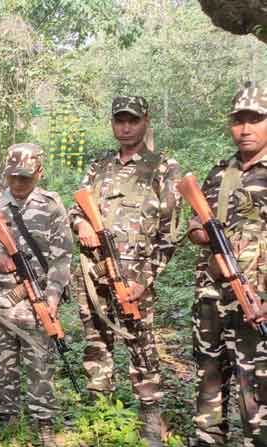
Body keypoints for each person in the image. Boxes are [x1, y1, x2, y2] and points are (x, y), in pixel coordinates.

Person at [69, 96, 181, 446]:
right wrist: (80, 225)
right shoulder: (99, 164)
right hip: (93, 275)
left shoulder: (162, 167)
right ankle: (100, 415)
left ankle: (150, 420)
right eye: (120, 120)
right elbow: (76, 208)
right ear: (112, 122)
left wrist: (145, 281)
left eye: (132, 120)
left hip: (134, 281)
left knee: (142, 350)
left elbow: (170, 233)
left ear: (145, 120)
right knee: (96, 346)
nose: (126, 127)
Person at [0, 143, 72, 446]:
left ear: (39, 173)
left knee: (40, 361)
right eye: (13, 176)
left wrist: (53, 294)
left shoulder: (52, 206)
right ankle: (8, 418)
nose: (18, 183)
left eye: (25, 177)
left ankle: (44, 422)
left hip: (38, 298)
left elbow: (63, 256)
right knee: (4, 362)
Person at [188, 84, 267, 447]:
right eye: (239, 121)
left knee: (257, 387)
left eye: (256, 120)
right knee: (208, 374)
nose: (246, 129)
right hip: (211, 295)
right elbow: (193, 223)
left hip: (257, 300)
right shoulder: (220, 173)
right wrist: (203, 235)